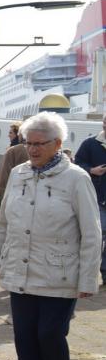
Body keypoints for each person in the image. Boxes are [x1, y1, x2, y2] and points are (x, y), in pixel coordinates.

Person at [0, 112, 100, 360]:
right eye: (28, 143)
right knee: (24, 338)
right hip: (21, 274)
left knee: (50, 336)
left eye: (39, 144)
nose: (32, 149)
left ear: (58, 144)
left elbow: (92, 232)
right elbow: (4, 222)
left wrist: (89, 277)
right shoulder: (19, 173)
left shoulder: (77, 178)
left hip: (59, 274)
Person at [73, 114, 106, 285]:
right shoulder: (90, 144)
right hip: (97, 197)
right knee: (96, 237)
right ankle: (96, 271)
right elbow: (77, 164)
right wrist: (91, 170)